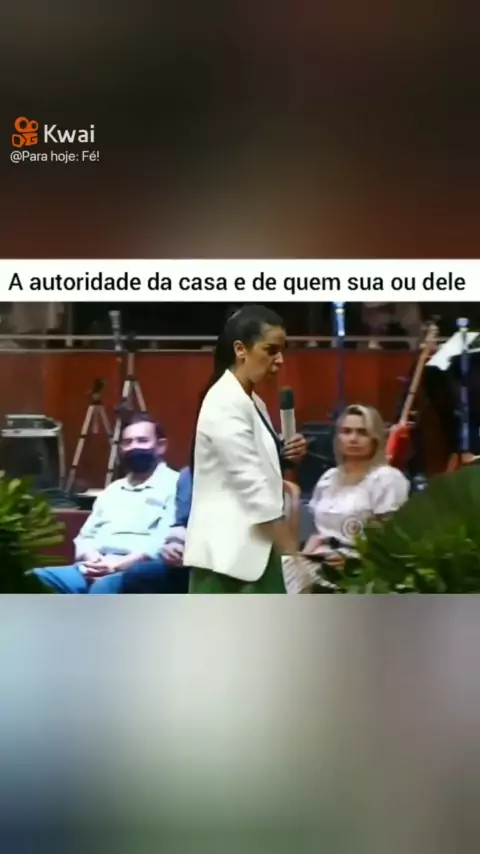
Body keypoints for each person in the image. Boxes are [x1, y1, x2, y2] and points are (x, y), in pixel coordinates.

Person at [184, 305, 307, 593]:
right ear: (240, 349)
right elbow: (251, 484)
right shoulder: (224, 401)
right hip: (227, 562)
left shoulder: (251, 400)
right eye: (270, 350)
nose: (279, 360)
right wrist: (293, 554)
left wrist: (283, 454)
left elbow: (253, 464)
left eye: (282, 351)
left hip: (256, 551)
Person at [33, 414, 179, 593]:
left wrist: (116, 566)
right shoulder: (112, 490)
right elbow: (85, 537)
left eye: (142, 441)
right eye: (128, 442)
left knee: (103, 588)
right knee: (33, 578)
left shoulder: (176, 485)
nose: (134, 447)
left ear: (161, 446)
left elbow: (163, 541)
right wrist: (93, 560)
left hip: (134, 571)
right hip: (93, 566)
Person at [301, 404, 410, 585]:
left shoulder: (387, 479)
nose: (353, 439)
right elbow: (317, 532)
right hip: (319, 560)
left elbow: (391, 542)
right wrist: (302, 559)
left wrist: (353, 563)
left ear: (375, 439)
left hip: (362, 567)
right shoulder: (328, 478)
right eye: (347, 431)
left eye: (362, 433)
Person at [121, 465, 192, 593]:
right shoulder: (187, 474)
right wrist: (174, 543)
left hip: (209, 557)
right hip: (184, 558)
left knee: (136, 574)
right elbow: (180, 522)